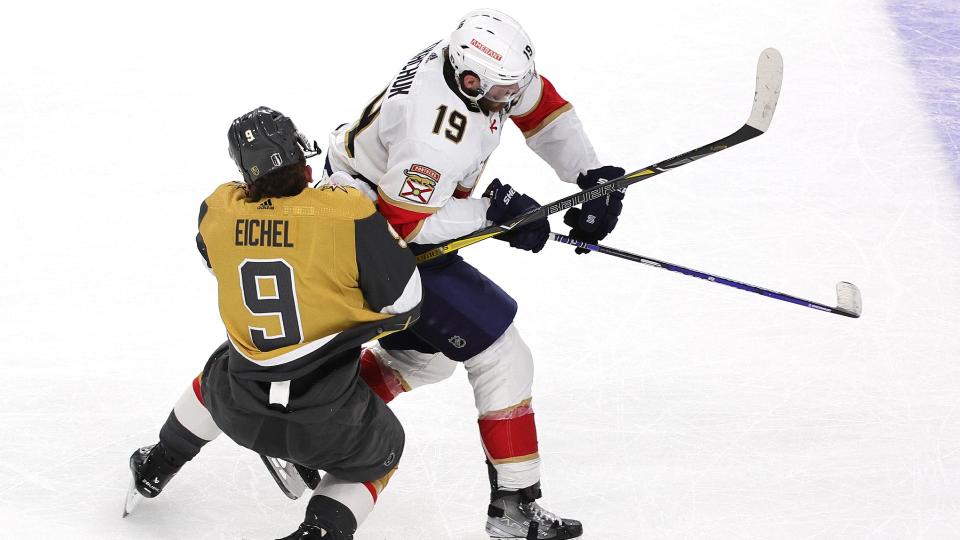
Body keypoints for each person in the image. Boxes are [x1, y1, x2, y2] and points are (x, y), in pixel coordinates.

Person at [320, 9, 625, 539]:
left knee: (426, 357)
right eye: (503, 89)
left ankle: (320, 420)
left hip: (378, 212)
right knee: (503, 356)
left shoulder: (473, 75)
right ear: (469, 80)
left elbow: (539, 103)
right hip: (369, 238)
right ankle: (514, 507)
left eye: (513, 85)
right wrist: (496, 214)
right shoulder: (433, 135)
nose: (513, 98)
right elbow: (403, 228)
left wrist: (587, 172)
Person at [125, 107, 422, 540]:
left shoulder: (217, 210)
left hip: (238, 407)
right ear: (304, 165)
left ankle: (159, 463)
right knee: (384, 451)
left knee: (220, 367)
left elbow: (223, 261)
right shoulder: (346, 213)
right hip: (326, 423)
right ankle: (320, 531)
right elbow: (407, 303)